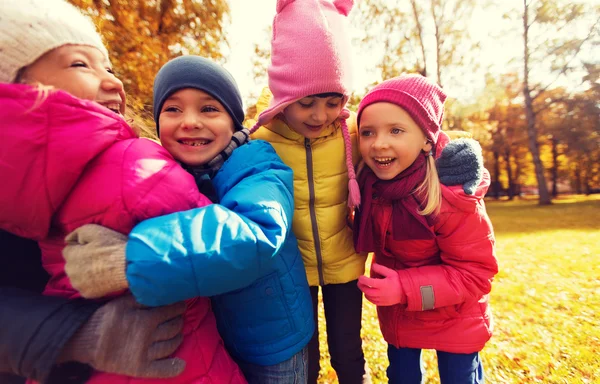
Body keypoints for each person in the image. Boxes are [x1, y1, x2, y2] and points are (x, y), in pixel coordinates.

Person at [0, 0, 246, 383]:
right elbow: (240, 240)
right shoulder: (135, 162)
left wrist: (66, 335)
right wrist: (73, 333)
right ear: (15, 86)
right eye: (80, 64)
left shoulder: (36, 175)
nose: (115, 81)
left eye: (110, 68)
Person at [246, 0, 484, 383]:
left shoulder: (357, 132)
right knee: (302, 354)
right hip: (291, 267)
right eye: (306, 102)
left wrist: (459, 158)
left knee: (347, 349)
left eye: (333, 101)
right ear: (284, 93)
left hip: (345, 262)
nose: (320, 115)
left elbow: (413, 141)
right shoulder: (259, 140)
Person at [63, 55, 314, 384]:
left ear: (233, 121)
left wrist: (130, 258)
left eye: (209, 109)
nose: (190, 121)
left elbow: (257, 231)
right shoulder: (170, 174)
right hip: (217, 336)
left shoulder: (259, 165)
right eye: (173, 109)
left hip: (273, 344)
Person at [352, 74, 498, 384]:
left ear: (427, 139)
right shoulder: (369, 185)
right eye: (367, 132)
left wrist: (403, 288)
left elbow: (476, 273)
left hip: (455, 315)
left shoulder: (452, 197)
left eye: (396, 130)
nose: (379, 143)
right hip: (402, 316)